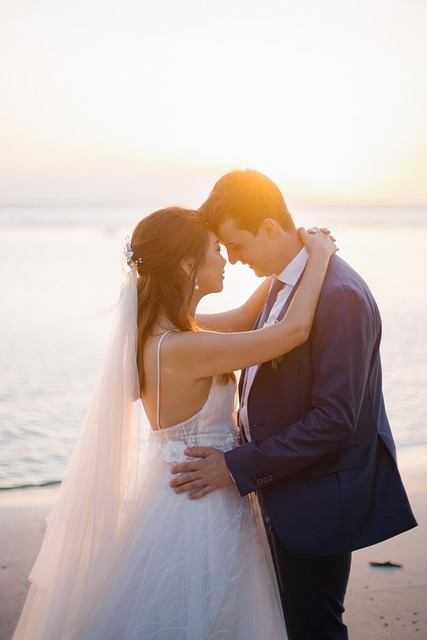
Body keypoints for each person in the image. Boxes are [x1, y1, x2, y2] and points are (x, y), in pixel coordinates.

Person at [13, 206, 336, 640]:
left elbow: (242, 319)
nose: (227, 260)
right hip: (200, 505)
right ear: (188, 265)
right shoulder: (187, 347)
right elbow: (292, 332)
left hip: (177, 491)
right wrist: (319, 256)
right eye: (216, 250)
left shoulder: (162, 336)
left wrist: (283, 265)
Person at [170, 171, 418, 640]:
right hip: (283, 485)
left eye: (236, 244)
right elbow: (245, 327)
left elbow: (335, 420)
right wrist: (160, 328)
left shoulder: (338, 295)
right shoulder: (289, 279)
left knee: (313, 626)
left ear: (268, 227)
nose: (234, 259)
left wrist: (233, 467)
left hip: (316, 498)